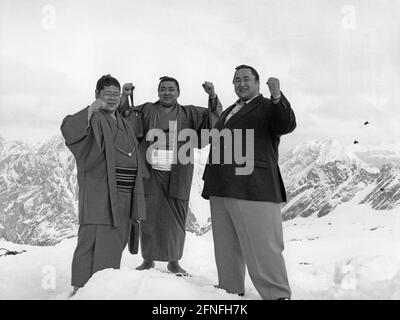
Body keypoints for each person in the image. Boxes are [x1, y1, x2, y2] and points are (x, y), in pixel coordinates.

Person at [201, 65, 296, 300]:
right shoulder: (230, 110)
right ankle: (230, 288)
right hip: (220, 184)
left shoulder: (267, 106)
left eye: (246, 79)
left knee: (263, 244)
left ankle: (277, 294)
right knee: (226, 244)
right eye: (236, 80)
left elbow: (286, 124)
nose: (241, 84)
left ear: (257, 82)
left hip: (254, 185)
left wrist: (277, 96)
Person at [119, 76, 222, 275]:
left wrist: (212, 96)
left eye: (171, 89)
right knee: (148, 215)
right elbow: (126, 117)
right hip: (151, 170)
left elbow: (213, 120)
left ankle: (174, 261)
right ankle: (147, 259)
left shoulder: (189, 112)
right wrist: (125, 95)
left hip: (178, 170)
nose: (167, 92)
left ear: (178, 93)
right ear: (158, 92)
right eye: (163, 89)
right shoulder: (146, 110)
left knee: (176, 217)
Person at [60, 74, 149, 296]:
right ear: (97, 95)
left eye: (115, 95)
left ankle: (99, 290)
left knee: (113, 244)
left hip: (125, 195)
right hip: (102, 193)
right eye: (107, 94)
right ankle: (82, 289)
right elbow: (69, 128)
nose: (112, 99)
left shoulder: (123, 123)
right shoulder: (95, 118)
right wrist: (91, 108)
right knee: (91, 242)